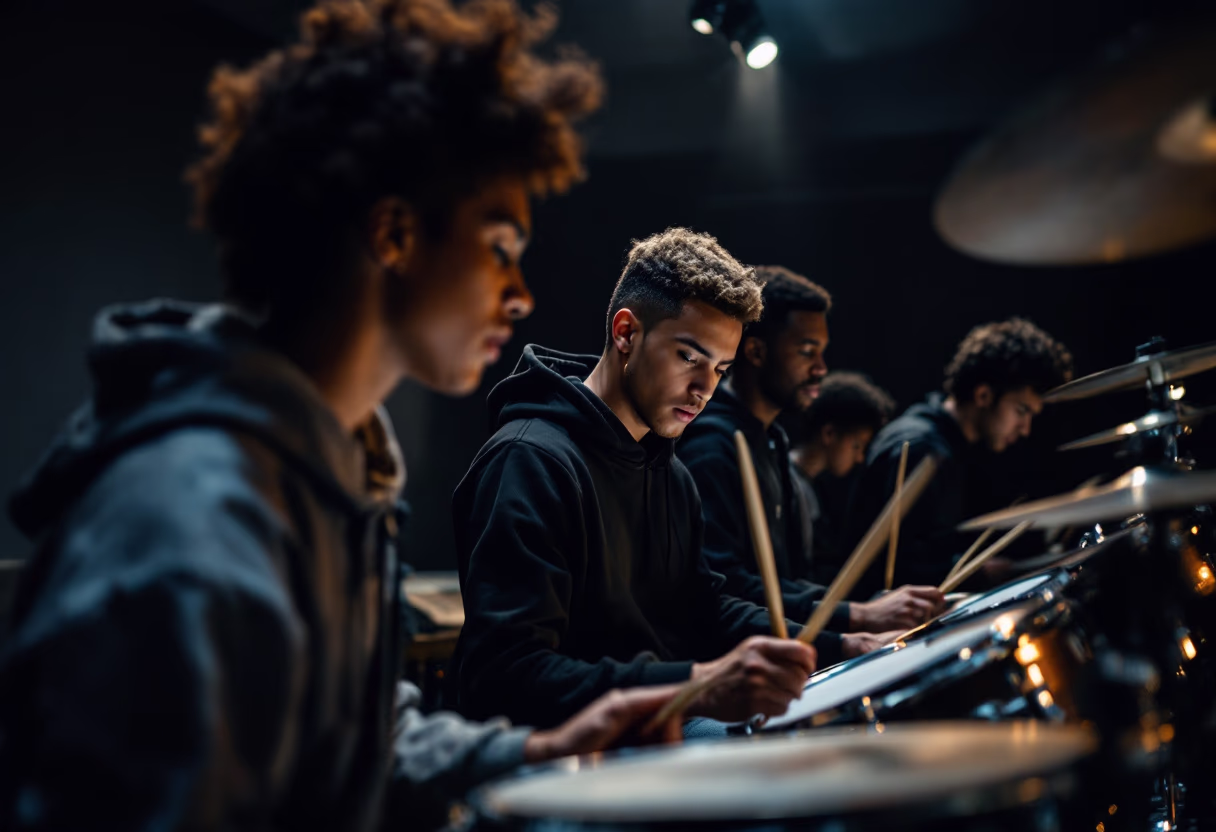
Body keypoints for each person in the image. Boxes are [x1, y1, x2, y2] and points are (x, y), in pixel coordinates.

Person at [0, 3, 688, 830]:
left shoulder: (335, 473)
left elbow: (350, 737)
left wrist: (533, 754)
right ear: (396, 234)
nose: (522, 294)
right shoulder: (191, 528)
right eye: (501, 248)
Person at [448, 229, 825, 732]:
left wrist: (832, 646)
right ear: (626, 333)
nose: (704, 390)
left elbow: (702, 608)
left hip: (655, 732)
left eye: (720, 368)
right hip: (563, 764)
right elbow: (506, 673)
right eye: (689, 357)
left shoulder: (671, 472)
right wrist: (696, 685)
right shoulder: (531, 460)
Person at [678, 267, 945, 637]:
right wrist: (854, 618)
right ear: (756, 351)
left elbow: (785, 581)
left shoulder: (771, 441)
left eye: (822, 352)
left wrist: (858, 609)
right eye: (807, 352)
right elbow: (727, 588)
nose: (821, 368)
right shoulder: (712, 446)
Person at [839, 318, 1073, 599]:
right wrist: (981, 573)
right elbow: (902, 573)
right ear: (984, 395)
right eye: (1021, 411)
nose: (1025, 429)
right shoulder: (922, 449)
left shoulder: (944, 444)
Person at [787, 371, 896, 585]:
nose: (859, 458)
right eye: (857, 445)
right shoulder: (790, 485)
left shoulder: (814, 485)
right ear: (829, 434)